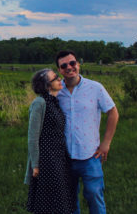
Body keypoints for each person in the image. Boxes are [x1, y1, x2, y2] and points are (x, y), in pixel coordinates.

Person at [55, 50, 119, 214]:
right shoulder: (56, 92)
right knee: (69, 202)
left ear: (78, 64)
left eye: (72, 63)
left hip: (90, 155)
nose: (69, 68)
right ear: (59, 70)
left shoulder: (95, 88)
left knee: (94, 195)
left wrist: (106, 143)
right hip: (66, 158)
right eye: (64, 65)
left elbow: (113, 112)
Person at [25, 68, 77, 214]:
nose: (60, 79)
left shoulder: (55, 102)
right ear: (47, 85)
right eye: (55, 78)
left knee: (61, 198)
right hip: (47, 160)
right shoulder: (39, 103)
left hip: (60, 157)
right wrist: (35, 165)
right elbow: (33, 137)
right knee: (47, 202)